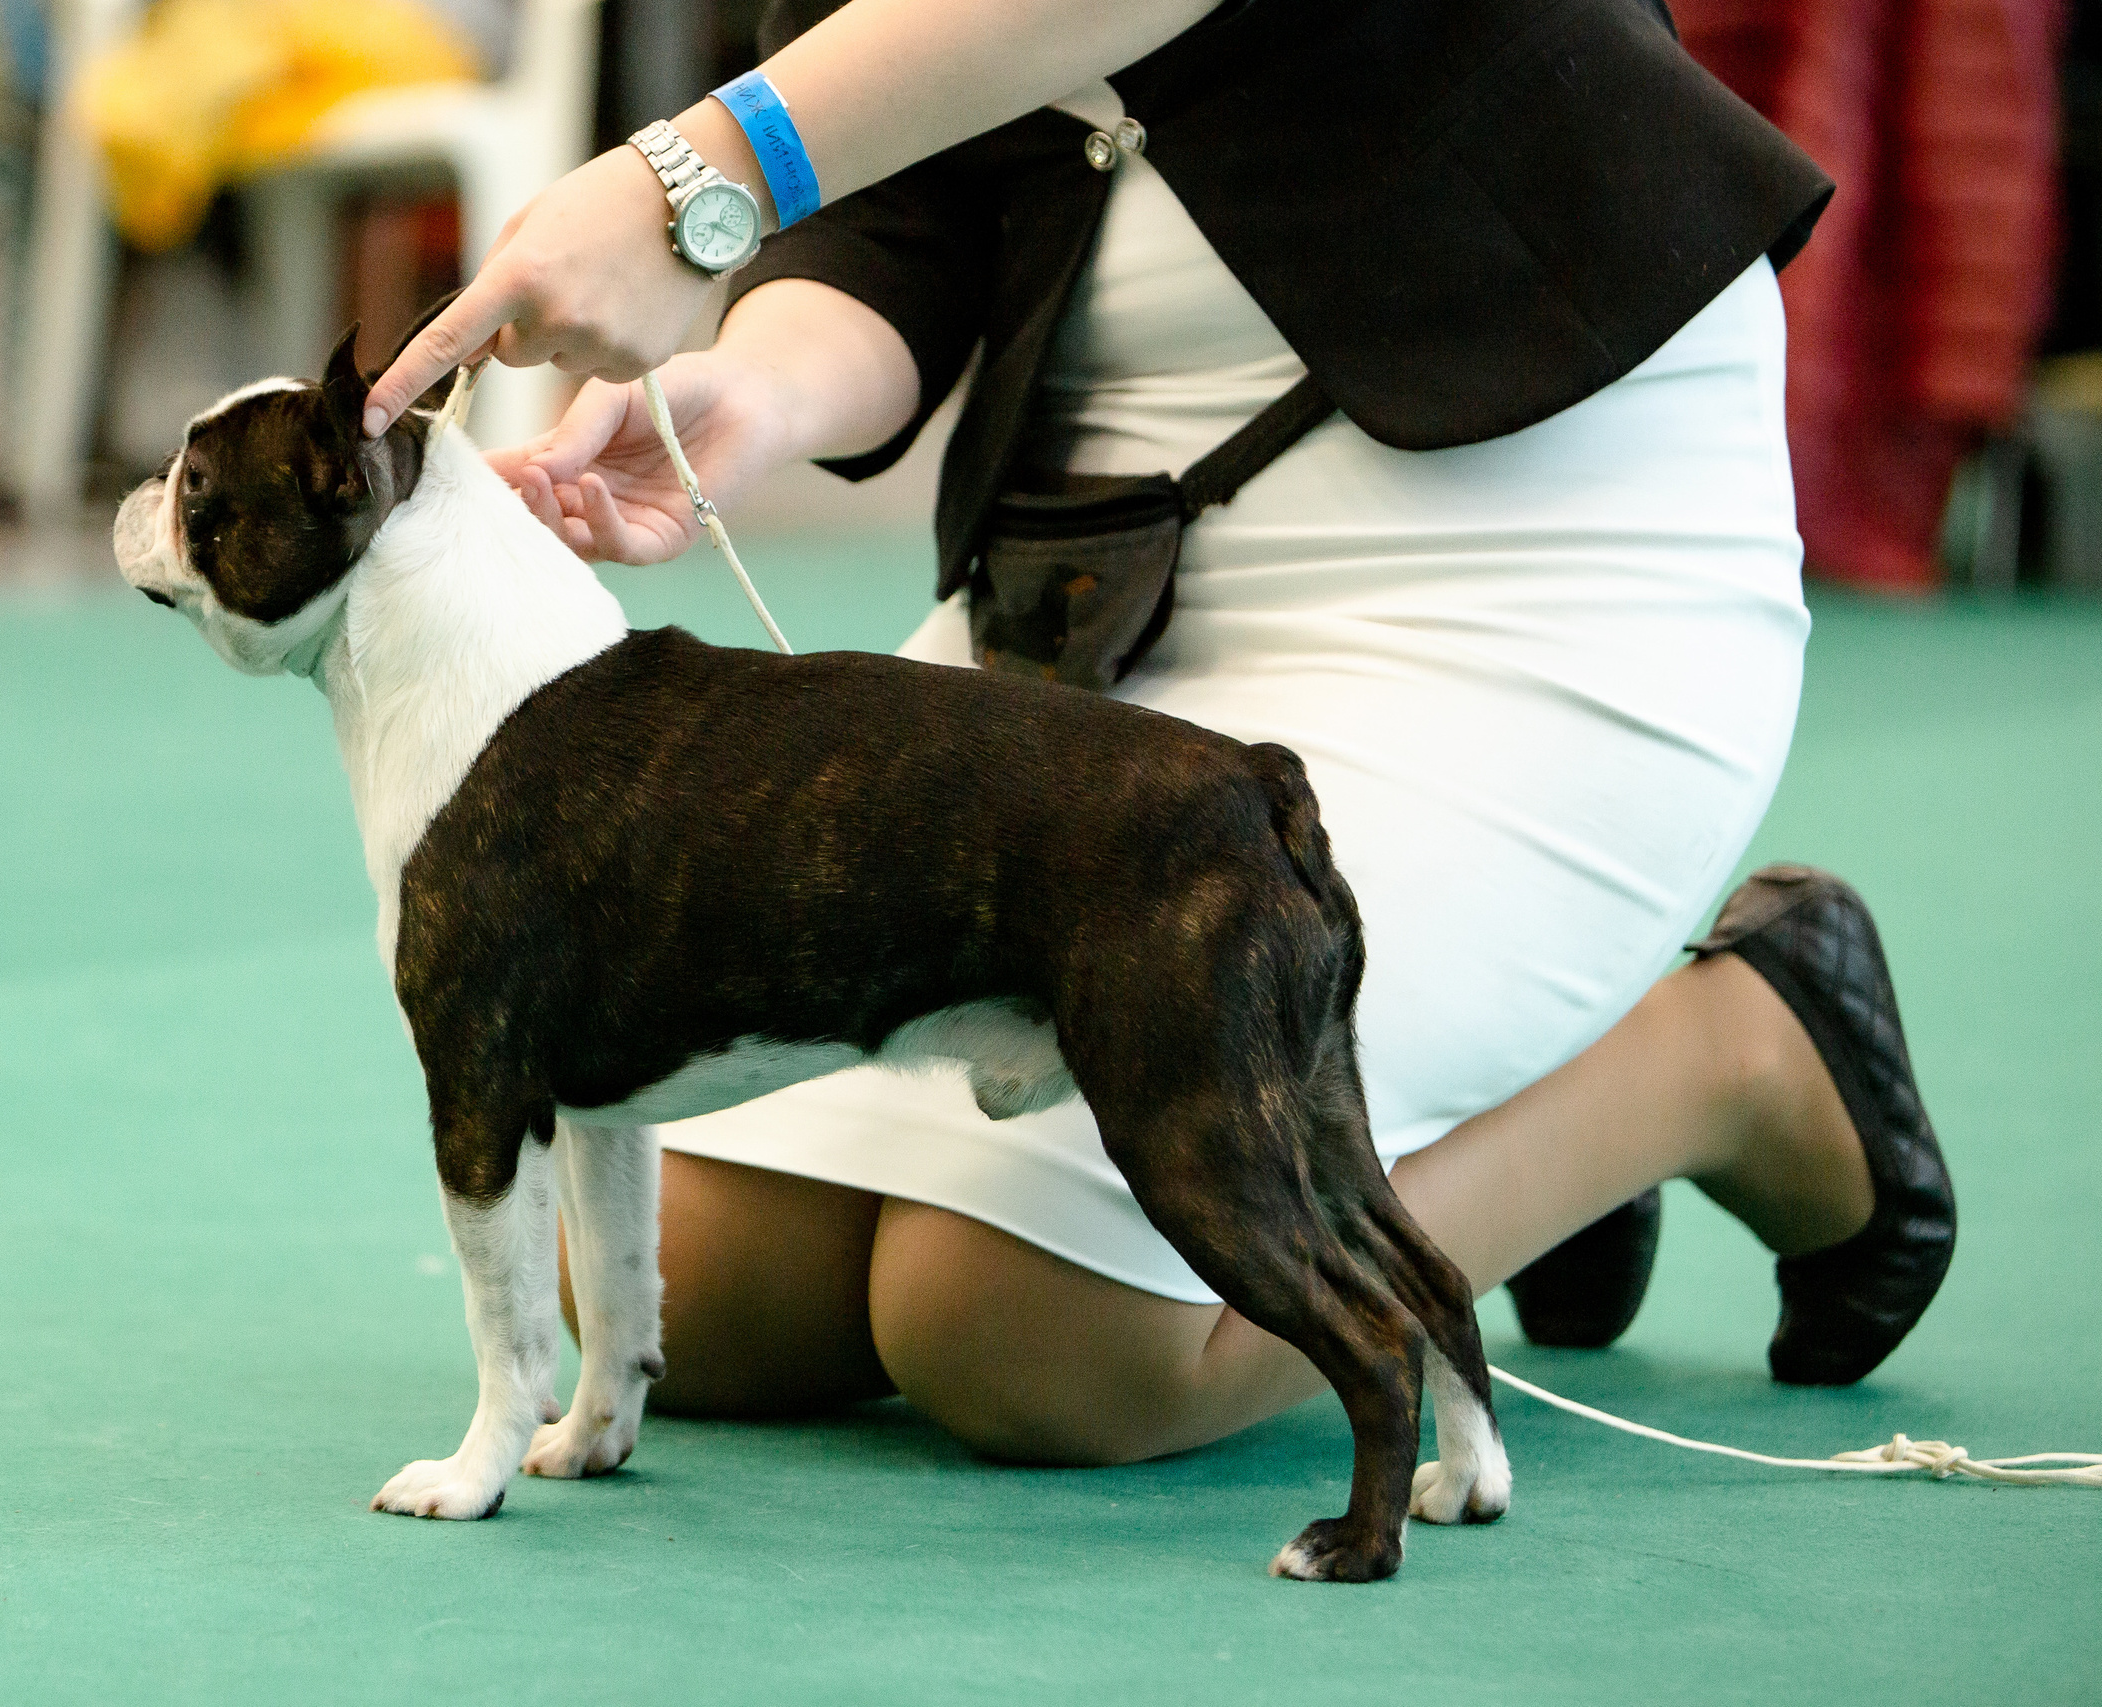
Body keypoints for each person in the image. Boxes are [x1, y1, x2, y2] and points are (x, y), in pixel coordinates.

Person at [360, 0, 1956, 1465]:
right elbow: (904, 218)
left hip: (1527, 532)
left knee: (1042, 1333)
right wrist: (756, 392)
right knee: (703, 1297)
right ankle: (1483, 1101)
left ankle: (1731, 1054)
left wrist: (699, 170)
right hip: (1097, 582)